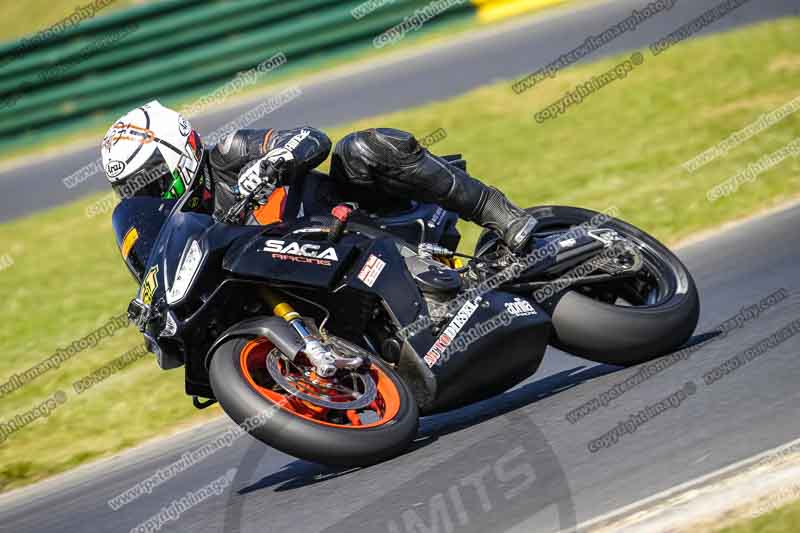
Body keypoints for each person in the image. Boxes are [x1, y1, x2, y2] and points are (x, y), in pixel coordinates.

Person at [101, 100, 537, 252]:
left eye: (153, 179)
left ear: (179, 151)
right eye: (134, 190)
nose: (150, 194)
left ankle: (498, 212)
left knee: (359, 148)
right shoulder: (177, 236)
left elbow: (310, 137)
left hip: (357, 219)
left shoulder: (229, 153)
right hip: (303, 272)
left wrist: (274, 162)